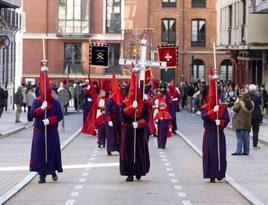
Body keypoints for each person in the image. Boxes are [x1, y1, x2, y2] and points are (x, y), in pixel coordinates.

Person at [30, 64, 63, 183]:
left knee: (52, 153)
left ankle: (53, 171)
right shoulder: (37, 101)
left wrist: (50, 120)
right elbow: (32, 114)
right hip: (39, 132)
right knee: (40, 154)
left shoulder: (55, 102)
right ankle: (41, 175)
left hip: (51, 132)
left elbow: (60, 115)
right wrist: (40, 109)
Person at [120, 72, 150, 182]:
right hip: (128, 130)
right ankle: (129, 173)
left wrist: (139, 123)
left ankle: (139, 170)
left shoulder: (143, 104)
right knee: (128, 152)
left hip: (139, 132)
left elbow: (146, 118)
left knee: (139, 151)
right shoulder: (124, 103)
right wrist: (131, 108)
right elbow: (122, 115)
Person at [200, 70, 230, 183]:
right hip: (209, 134)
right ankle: (211, 174)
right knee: (209, 154)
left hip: (218, 133)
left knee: (220, 154)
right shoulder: (205, 107)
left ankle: (219, 173)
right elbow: (204, 117)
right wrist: (212, 111)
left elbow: (227, 119)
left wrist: (221, 122)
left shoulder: (222, 108)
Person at [105, 74, 122, 155]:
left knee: (118, 134)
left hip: (118, 118)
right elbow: (107, 111)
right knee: (111, 135)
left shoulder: (120, 99)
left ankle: (118, 148)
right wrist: (109, 120)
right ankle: (109, 149)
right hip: (111, 118)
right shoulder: (109, 100)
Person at [249, 84, 262, 149]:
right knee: (255, 131)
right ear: (254, 89)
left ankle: (246, 145)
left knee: (247, 131)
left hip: (248, 116)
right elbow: (260, 103)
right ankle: (255, 145)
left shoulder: (246, 96)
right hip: (256, 116)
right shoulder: (258, 97)